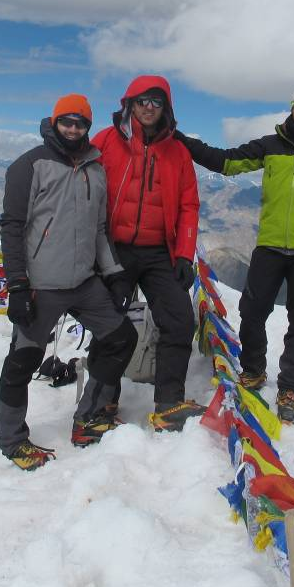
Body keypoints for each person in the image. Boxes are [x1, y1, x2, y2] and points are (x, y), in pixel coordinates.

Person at [175, 79, 294, 423]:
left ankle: (290, 388)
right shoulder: (271, 145)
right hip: (269, 246)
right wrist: (185, 143)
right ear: (292, 109)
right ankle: (254, 369)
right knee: (252, 311)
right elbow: (226, 162)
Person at [0, 94, 139, 470]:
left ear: (88, 128)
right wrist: (17, 286)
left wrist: (115, 274)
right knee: (22, 362)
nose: (74, 128)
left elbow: (99, 230)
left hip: (84, 282)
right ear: (55, 121)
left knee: (121, 338)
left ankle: (89, 415)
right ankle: (12, 441)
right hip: (40, 286)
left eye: (81, 123)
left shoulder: (95, 169)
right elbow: (12, 229)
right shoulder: (29, 166)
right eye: (68, 121)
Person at [91, 75, 205, 432]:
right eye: (142, 100)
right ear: (129, 103)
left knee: (179, 320)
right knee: (109, 323)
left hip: (159, 251)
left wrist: (185, 254)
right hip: (114, 248)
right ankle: (102, 400)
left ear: (166, 108)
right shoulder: (106, 141)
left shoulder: (178, 152)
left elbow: (189, 205)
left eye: (156, 102)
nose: (148, 107)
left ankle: (168, 403)